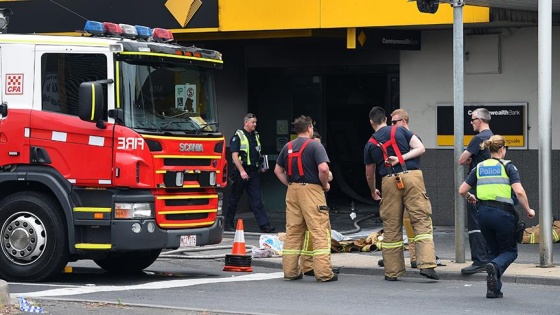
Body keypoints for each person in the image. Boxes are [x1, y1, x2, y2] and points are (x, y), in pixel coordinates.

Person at [364, 106, 438, 281]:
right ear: (385, 120)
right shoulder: (401, 132)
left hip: (388, 181)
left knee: (391, 225)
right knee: (421, 220)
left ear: (371, 122)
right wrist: (401, 158)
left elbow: (369, 173)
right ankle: (427, 265)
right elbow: (420, 148)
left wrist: (373, 190)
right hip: (412, 177)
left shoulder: (370, 144)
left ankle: (392, 271)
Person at [458, 135, 535, 298]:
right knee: (509, 251)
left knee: (493, 250)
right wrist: (529, 209)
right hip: (503, 214)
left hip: (483, 214)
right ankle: (494, 266)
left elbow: (462, 190)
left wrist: (470, 198)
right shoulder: (508, 166)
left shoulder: (479, 167)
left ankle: (493, 289)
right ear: (502, 149)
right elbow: (519, 191)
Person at [274, 115, 337, 282]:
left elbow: (277, 170)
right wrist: (324, 185)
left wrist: (289, 184)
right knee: (319, 231)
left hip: (292, 191)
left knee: (293, 232)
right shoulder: (315, 146)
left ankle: (290, 272)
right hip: (312, 191)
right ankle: (324, 273)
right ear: (309, 128)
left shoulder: (287, 147)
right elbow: (323, 169)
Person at [224, 113, 275, 233]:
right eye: (253, 122)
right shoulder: (238, 136)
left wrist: (262, 166)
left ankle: (264, 225)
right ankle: (228, 224)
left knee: (257, 200)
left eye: (255, 122)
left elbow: (259, 153)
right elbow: (234, 156)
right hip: (241, 172)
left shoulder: (256, 136)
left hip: (254, 172)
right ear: (246, 122)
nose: (255, 125)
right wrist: (242, 171)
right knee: (234, 199)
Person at [458, 108, 493, 274]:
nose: (471, 122)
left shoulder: (478, 138)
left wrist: (469, 159)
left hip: (478, 187)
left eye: (472, 119)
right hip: (492, 187)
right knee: (488, 223)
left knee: (475, 224)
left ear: (480, 120)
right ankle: (489, 258)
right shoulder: (493, 137)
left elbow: (462, 159)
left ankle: (479, 260)